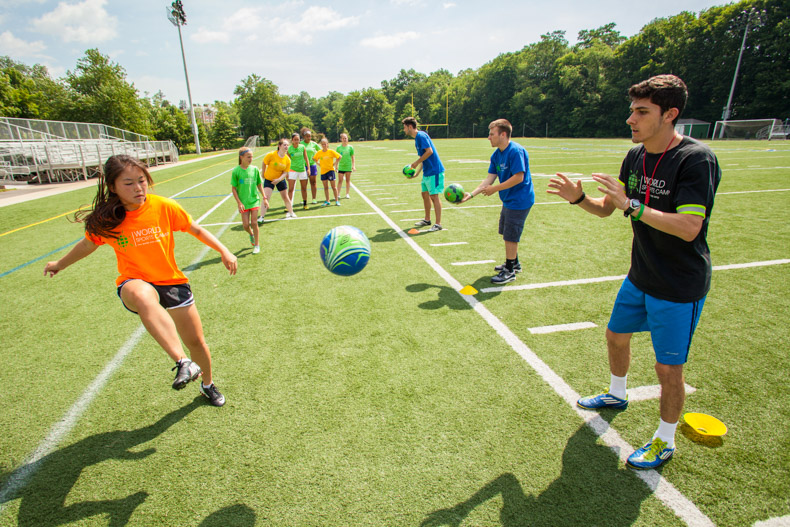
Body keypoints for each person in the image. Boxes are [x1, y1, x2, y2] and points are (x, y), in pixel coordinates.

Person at [547, 74, 721, 469]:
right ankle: (617, 393)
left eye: (642, 112)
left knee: (668, 368)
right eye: (632, 110)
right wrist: (579, 199)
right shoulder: (636, 156)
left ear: (670, 114)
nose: (632, 119)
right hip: (640, 274)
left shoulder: (695, 160)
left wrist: (633, 206)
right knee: (615, 336)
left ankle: (665, 439)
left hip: (679, 285)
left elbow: (689, 226)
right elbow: (609, 208)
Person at [43, 155, 238, 407]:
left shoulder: (164, 206)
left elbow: (196, 229)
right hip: (133, 282)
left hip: (171, 281)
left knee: (197, 342)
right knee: (144, 296)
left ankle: (207, 385)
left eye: (142, 180)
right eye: (128, 183)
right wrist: (59, 264)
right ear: (112, 187)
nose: (138, 188)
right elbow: (87, 244)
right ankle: (182, 362)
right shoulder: (108, 219)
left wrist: (224, 250)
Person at [461, 119, 534, 284]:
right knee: (506, 232)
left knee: (510, 235)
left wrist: (496, 189)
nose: (488, 137)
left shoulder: (515, 151)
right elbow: (489, 179)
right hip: (508, 199)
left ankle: (510, 271)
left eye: (491, 134)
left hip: (520, 200)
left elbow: (519, 177)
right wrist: (470, 195)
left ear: (503, 134)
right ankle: (514, 262)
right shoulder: (496, 155)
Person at [402, 117, 444, 231]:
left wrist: (416, 163)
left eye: (405, 127)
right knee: (424, 194)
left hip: (434, 171)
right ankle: (427, 219)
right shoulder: (417, 139)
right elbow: (424, 157)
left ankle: (438, 223)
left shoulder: (421, 136)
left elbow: (429, 151)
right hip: (427, 171)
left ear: (410, 127)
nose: (404, 129)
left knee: (434, 196)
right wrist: (417, 172)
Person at [230, 147, 265, 254]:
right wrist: (239, 202)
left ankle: (257, 245)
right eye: (248, 157)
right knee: (245, 225)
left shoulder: (254, 169)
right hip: (243, 203)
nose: (250, 159)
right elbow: (234, 188)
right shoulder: (236, 171)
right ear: (241, 157)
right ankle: (251, 234)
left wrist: (264, 197)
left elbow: (259, 184)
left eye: (252, 157)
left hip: (254, 200)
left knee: (254, 222)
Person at [261, 138, 296, 220]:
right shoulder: (271, 155)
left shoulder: (288, 159)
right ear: (279, 146)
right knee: (266, 197)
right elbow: (264, 162)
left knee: (285, 197)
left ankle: (291, 212)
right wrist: (263, 173)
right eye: (284, 145)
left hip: (280, 179)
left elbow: (285, 172)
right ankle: (261, 217)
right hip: (269, 179)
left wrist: (279, 180)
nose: (286, 146)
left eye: (287, 145)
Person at [312, 137, 342, 206]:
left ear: (327, 144)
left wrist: (335, 163)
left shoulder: (331, 151)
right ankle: (327, 200)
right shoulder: (319, 152)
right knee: (325, 187)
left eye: (325, 144)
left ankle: (337, 200)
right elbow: (314, 158)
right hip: (323, 172)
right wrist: (318, 163)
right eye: (322, 144)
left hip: (330, 171)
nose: (324, 145)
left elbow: (339, 156)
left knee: (333, 187)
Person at [287, 132, 311, 210]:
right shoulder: (289, 149)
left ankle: (305, 203)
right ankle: (288, 205)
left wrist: (308, 168)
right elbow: (287, 160)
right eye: (295, 140)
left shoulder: (302, 147)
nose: (297, 141)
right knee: (290, 189)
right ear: (292, 140)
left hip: (302, 170)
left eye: (298, 139)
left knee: (304, 188)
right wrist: (287, 172)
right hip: (292, 170)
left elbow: (306, 158)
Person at [302, 129, 321, 204]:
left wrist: (316, 158)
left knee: (313, 182)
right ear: (304, 136)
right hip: (303, 166)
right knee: (304, 184)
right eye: (307, 136)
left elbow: (321, 151)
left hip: (312, 165)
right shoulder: (301, 144)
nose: (309, 138)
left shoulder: (314, 144)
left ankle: (314, 198)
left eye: (310, 136)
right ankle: (304, 198)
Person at [336, 132, 355, 199]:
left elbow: (352, 157)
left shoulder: (350, 147)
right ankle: (338, 194)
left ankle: (347, 193)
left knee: (347, 180)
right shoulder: (338, 148)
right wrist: (336, 165)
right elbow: (337, 157)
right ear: (341, 139)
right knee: (340, 180)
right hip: (341, 166)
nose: (345, 139)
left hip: (348, 166)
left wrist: (353, 166)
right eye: (343, 138)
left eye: (346, 138)